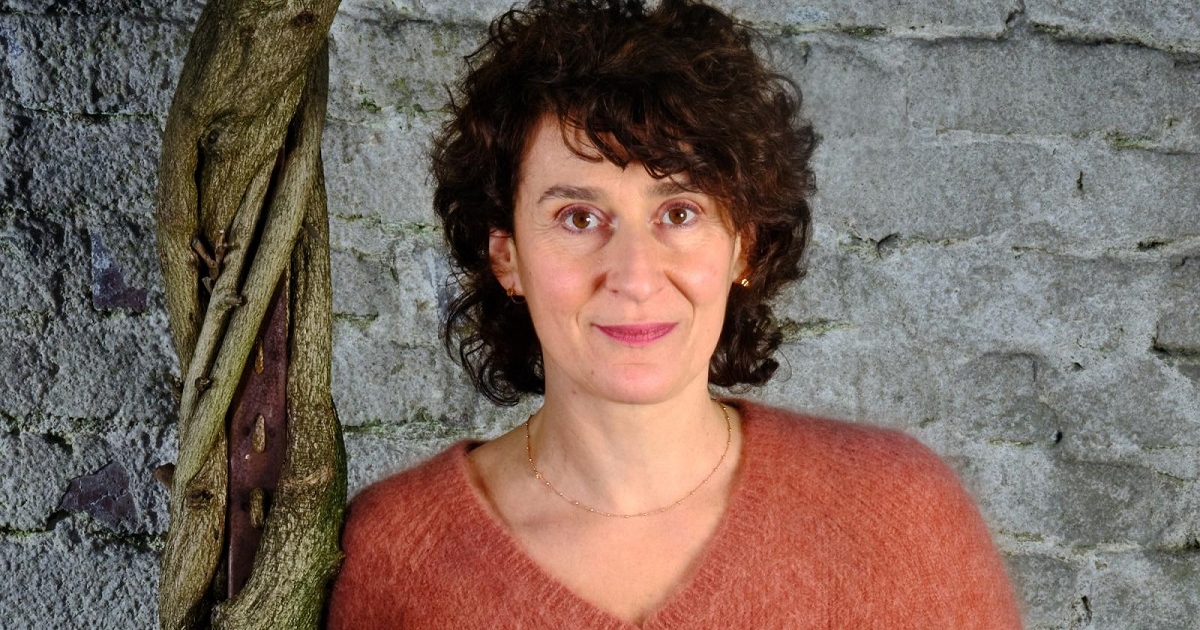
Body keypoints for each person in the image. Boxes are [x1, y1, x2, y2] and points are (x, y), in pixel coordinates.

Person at [327, 0, 1024, 627]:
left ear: (742, 245)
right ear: (507, 258)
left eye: (680, 213)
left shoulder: (900, 516)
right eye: (578, 217)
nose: (634, 276)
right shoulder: (399, 554)